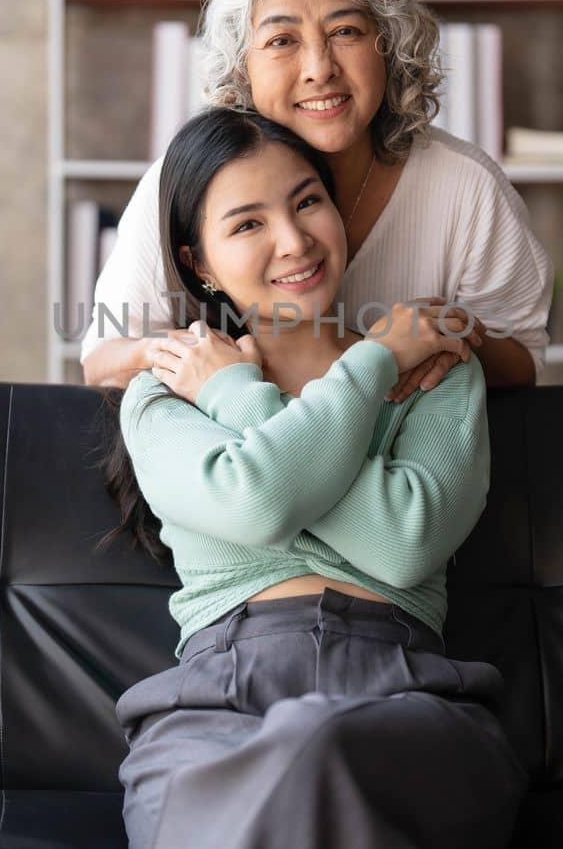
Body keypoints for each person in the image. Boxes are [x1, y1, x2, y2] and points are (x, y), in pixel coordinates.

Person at [98, 107, 527, 848]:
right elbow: (255, 499)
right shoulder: (166, 389)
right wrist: (372, 364)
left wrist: (249, 406)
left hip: (408, 693)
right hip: (212, 712)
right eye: (247, 224)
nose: (293, 241)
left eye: (306, 201)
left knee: (322, 746)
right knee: (299, 759)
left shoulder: (436, 371)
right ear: (198, 261)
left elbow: (402, 542)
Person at [81, 0, 554, 404]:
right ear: (242, 67)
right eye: (281, 41)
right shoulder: (181, 183)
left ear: (388, 47)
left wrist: (446, 335)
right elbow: (101, 361)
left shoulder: (465, 186)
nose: (319, 68)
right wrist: (199, 357)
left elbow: (524, 363)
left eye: (345, 32)